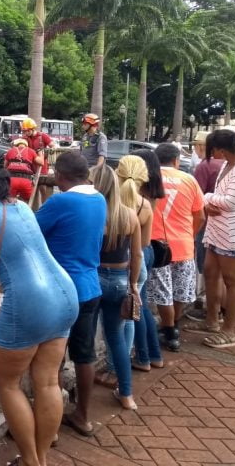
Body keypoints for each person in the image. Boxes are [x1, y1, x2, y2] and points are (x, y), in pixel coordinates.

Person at [0, 163, 78, 466]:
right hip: (64, 293)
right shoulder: (22, 206)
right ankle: (41, 458)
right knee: (48, 382)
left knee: (9, 385)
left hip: (28, 302)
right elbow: (25, 250)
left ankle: (30, 460)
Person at [36, 151, 106, 437]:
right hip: (90, 287)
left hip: (61, 289)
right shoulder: (99, 199)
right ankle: (82, 416)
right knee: (84, 354)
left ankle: (49, 428)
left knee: (51, 359)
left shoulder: (61, 200)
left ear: (60, 176)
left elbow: (31, 231)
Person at [89, 164, 142, 411]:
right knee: (117, 339)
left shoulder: (93, 214)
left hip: (94, 277)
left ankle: (83, 395)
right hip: (120, 278)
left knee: (86, 339)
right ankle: (127, 394)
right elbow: (138, 254)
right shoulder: (130, 215)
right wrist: (133, 284)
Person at [190, 129, 235, 349]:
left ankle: (228, 331)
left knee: (233, 280)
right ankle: (212, 321)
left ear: (221, 150)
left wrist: (206, 198)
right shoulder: (226, 165)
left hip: (232, 231)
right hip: (216, 229)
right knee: (211, 272)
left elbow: (231, 202)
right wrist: (211, 202)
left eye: (212, 149)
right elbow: (223, 198)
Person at [147, 143, 205, 352]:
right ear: (176, 160)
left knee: (163, 291)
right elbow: (200, 215)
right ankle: (173, 326)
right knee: (181, 290)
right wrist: (190, 234)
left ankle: (169, 330)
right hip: (184, 243)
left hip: (157, 244)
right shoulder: (189, 180)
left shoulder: (150, 179)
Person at [117, 155, 164, 373]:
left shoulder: (111, 201)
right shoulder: (145, 205)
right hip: (140, 260)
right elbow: (144, 244)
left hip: (120, 263)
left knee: (130, 316)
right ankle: (152, 355)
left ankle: (140, 358)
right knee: (140, 308)